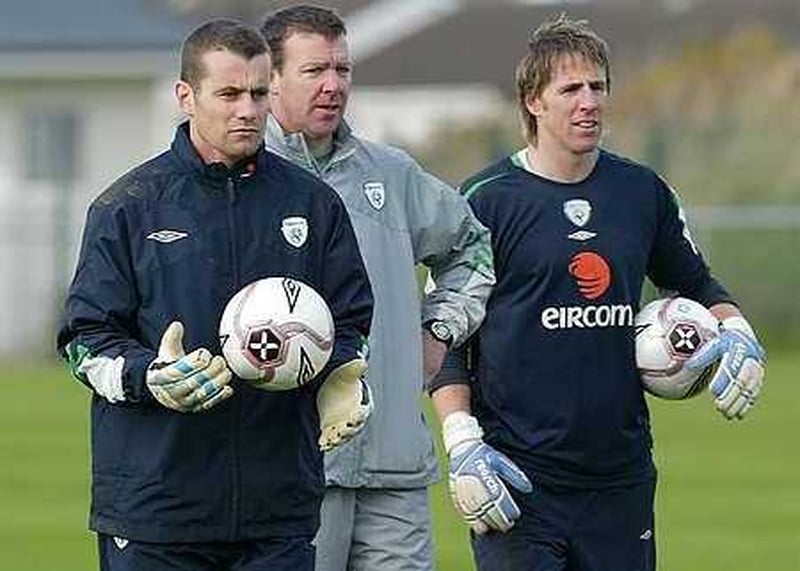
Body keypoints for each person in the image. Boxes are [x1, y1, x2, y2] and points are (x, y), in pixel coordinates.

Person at [429, 13, 766, 571]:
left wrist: (737, 330)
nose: (589, 102)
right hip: (516, 477)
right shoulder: (486, 201)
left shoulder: (640, 191)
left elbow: (696, 282)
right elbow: (446, 338)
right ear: (533, 102)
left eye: (598, 87)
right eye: (570, 89)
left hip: (620, 475)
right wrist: (462, 442)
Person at [56, 18, 374, 571]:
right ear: (186, 96)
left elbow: (349, 318)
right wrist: (147, 376)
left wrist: (342, 374)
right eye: (228, 94)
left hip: (277, 513)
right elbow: (85, 340)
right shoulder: (128, 206)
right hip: (155, 511)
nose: (247, 110)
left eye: (257, 93)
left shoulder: (312, 203)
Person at [259, 5, 495, 571]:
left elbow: (473, 249)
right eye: (315, 71)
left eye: (342, 70)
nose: (333, 85)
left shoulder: (390, 172)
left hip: (395, 469)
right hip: (293, 474)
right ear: (271, 80)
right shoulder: (245, 177)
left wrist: (439, 329)